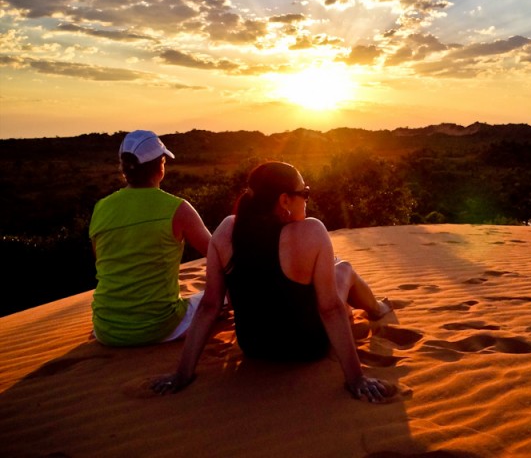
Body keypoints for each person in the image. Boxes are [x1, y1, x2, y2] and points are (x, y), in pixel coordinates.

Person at [151, 161, 395, 402]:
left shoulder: (227, 230)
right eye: (304, 193)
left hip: (255, 346)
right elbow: (329, 308)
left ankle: (374, 307)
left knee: (334, 271)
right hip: (308, 347)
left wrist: (182, 374)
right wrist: (356, 379)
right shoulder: (311, 231)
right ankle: (377, 308)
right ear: (284, 200)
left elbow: (209, 306)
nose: (307, 198)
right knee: (344, 269)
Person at [90, 130, 211, 346]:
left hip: (106, 329)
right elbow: (217, 254)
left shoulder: (101, 208)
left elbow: (103, 261)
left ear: (124, 168)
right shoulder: (178, 209)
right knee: (222, 295)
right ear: (161, 165)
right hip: (160, 326)